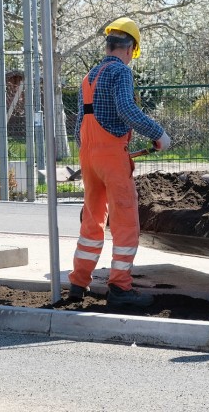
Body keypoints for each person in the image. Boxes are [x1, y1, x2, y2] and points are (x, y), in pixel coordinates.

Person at [66, 17, 171, 308]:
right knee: (125, 220)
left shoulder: (89, 75)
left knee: (92, 218)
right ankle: (120, 288)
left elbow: (79, 127)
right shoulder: (120, 72)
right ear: (130, 49)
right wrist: (158, 134)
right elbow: (126, 109)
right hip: (111, 157)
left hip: (87, 156)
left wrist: (94, 151)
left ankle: (78, 282)